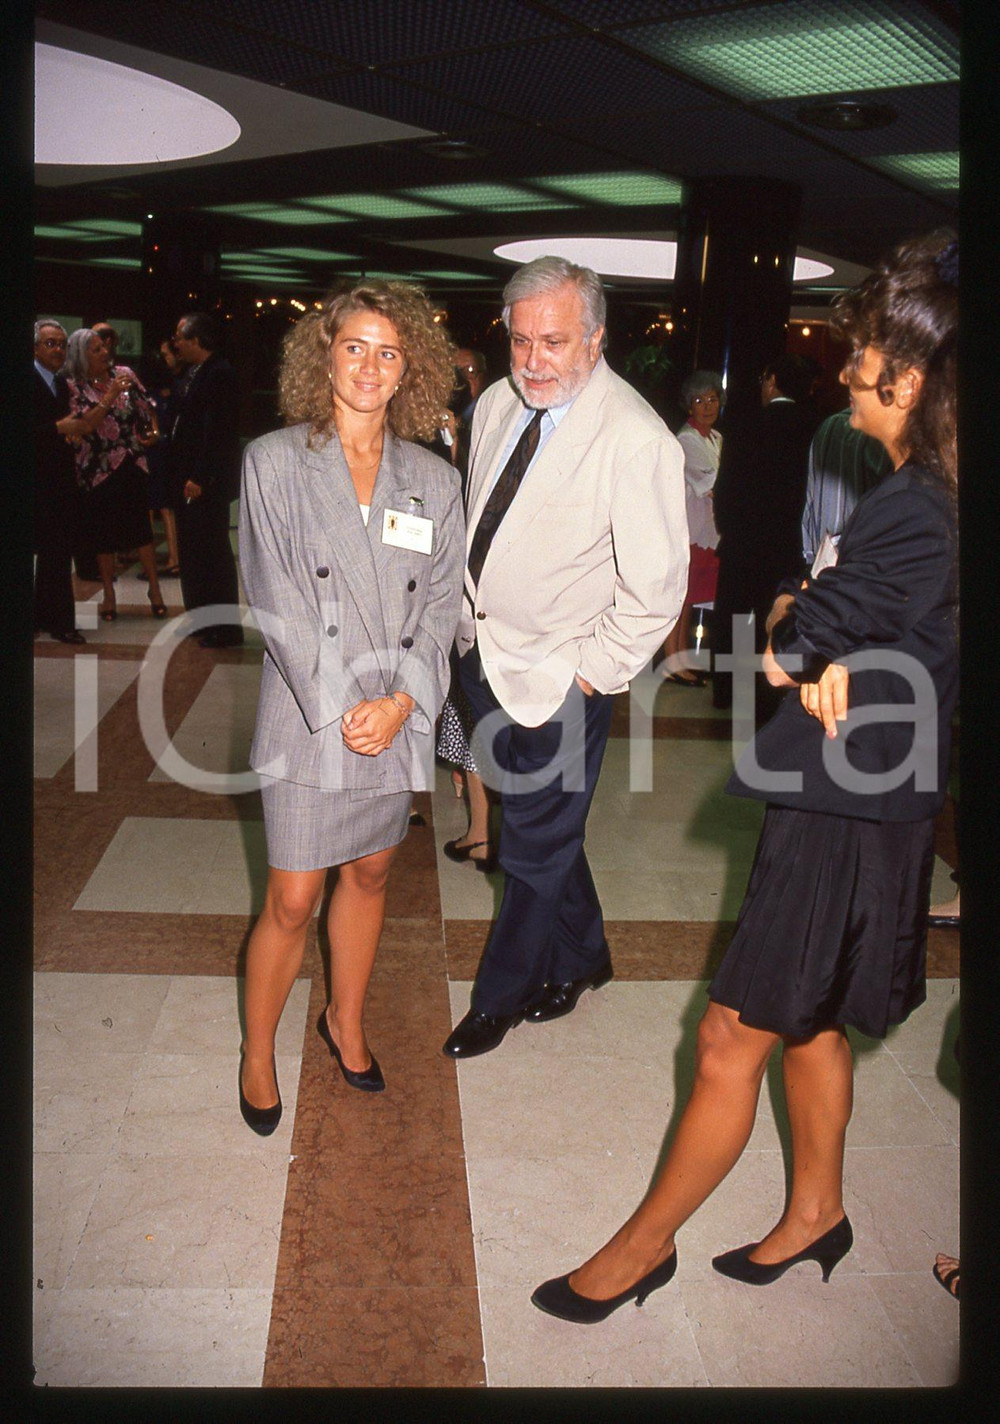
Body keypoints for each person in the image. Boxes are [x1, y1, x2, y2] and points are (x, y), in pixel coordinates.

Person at [531, 229, 957, 1323]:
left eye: (859, 357)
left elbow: (784, 640)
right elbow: (842, 626)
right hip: (868, 787)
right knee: (806, 1018)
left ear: (906, 380)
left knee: (730, 1031)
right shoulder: (922, 487)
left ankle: (639, 1247)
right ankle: (817, 1208)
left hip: (846, 804)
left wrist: (803, 630)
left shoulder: (917, 503)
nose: (845, 370)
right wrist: (827, 639)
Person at [442, 255, 689, 1060]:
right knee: (544, 830)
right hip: (482, 663)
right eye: (520, 342)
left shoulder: (636, 437)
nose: (533, 362)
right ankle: (587, 955)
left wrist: (586, 677)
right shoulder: (493, 404)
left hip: (561, 682)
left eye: (553, 343)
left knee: (532, 847)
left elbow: (655, 591)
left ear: (596, 339)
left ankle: (501, 996)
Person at [237, 279, 464, 1134]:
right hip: (309, 713)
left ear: (412, 367)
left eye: (390, 351)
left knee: (371, 872)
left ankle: (346, 1020)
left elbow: (442, 604)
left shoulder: (434, 480)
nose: (371, 366)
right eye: (355, 347)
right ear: (323, 354)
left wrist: (404, 699)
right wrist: (346, 708)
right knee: (293, 899)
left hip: (397, 710)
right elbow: (276, 599)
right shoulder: (272, 462)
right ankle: (258, 1050)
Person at [711, 353, 820, 712]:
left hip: (744, 541)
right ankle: (768, 696)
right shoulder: (813, 427)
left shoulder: (745, 424)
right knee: (777, 617)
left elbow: (725, 490)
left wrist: (731, 529)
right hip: (788, 544)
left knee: (739, 618)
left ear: (772, 379)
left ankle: (729, 690)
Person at [63, 328, 168, 622]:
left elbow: (148, 407)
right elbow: (85, 425)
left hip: (131, 462)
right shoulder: (74, 385)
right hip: (97, 468)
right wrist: (109, 395)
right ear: (82, 355)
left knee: (141, 530)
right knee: (103, 535)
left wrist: (154, 432)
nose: (105, 353)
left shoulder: (125, 373)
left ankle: (155, 590)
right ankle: (109, 594)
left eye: (105, 347)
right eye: (97, 349)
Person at [169, 312, 244, 647]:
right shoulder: (194, 373)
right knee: (193, 552)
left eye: (180, 338)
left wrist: (201, 475)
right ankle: (200, 619)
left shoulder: (220, 374)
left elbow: (217, 432)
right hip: (185, 476)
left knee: (211, 553)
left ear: (196, 340)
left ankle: (224, 627)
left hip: (205, 481)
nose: (176, 344)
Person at [660, 370, 725, 685]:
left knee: (690, 596)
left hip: (706, 531)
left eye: (712, 399)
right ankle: (672, 661)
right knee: (680, 597)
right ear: (689, 405)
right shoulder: (686, 438)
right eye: (700, 400)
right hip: (687, 530)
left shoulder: (715, 437)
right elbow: (714, 484)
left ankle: (680, 657)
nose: (707, 406)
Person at [33, 320, 88, 643]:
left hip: (58, 482)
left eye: (61, 345)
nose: (57, 350)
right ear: (36, 347)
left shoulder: (62, 383)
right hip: (31, 481)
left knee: (57, 553)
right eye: (50, 343)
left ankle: (57, 620)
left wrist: (72, 437)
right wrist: (58, 429)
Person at [801, 406, 893, 568]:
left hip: (823, 562)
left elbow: (810, 501)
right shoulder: (884, 433)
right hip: (865, 565)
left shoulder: (828, 426)